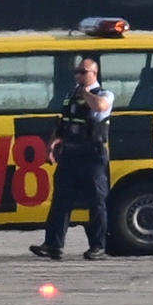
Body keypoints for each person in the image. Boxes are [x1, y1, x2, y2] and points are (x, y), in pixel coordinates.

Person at [31, 55, 113, 261]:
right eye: (76, 72)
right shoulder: (71, 94)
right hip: (69, 154)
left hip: (92, 156)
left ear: (94, 74)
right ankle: (53, 245)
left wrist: (86, 94)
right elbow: (63, 123)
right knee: (61, 201)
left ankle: (98, 246)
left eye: (82, 72)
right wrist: (51, 146)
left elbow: (100, 107)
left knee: (97, 201)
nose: (78, 75)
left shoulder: (103, 94)